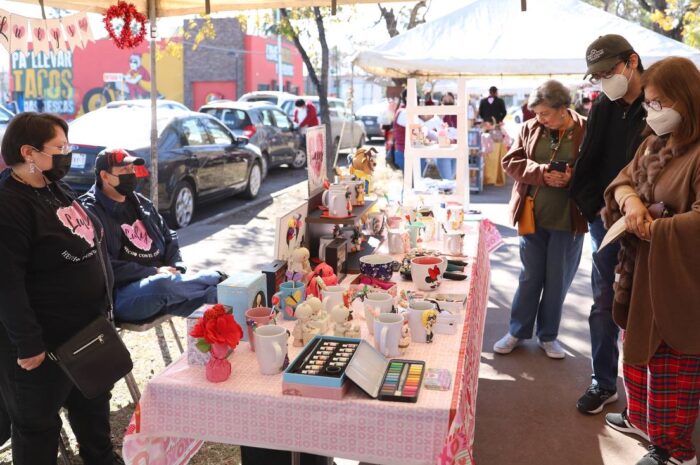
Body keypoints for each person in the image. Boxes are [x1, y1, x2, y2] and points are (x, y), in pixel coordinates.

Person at [0, 112, 123, 464]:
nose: (67, 154)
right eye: (59, 147)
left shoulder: (53, 186)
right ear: (28, 152)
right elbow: (6, 283)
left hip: (86, 333)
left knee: (94, 420)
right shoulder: (8, 204)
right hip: (41, 348)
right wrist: (28, 343)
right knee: (38, 432)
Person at [602, 56, 700, 465]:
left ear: (687, 99)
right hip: (642, 273)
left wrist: (651, 225)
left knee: (672, 366)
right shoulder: (655, 142)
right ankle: (649, 429)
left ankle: (677, 451)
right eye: (648, 103)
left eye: (658, 103)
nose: (651, 112)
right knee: (641, 359)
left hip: (678, 279)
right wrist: (631, 202)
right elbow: (623, 179)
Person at [570, 34, 647, 415]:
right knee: (603, 302)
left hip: (653, 225)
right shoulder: (602, 105)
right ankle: (603, 381)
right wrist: (593, 212)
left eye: (607, 71)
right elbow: (587, 162)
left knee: (647, 306)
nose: (602, 80)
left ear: (631, 61)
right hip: (606, 221)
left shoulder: (661, 102)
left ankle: (649, 397)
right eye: (595, 75)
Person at [494, 80, 588, 359]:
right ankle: (517, 331)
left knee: (557, 279)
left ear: (563, 109)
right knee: (529, 276)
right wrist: (541, 172)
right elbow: (510, 162)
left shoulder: (586, 128)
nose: (539, 118)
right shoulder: (528, 128)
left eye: (544, 113)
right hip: (532, 214)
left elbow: (597, 168)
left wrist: (573, 177)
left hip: (568, 218)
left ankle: (549, 336)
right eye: (536, 113)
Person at [80, 148, 225, 322]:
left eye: (132, 169)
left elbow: (169, 236)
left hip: (166, 288)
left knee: (219, 297)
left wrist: (176, 266)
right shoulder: (89, 212)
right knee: (162, 283)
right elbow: (103, 266)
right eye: (124, 170)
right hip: (122, 296)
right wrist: (154, 272)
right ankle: (214, 277)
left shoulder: (141, 203)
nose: (131, 174)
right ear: (104, 176)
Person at [391, 89, 408, 170]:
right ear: (407, 97)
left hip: (404, 150)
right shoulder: (403, 112)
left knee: (410, 179)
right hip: (403, 150)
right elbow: (415, 127)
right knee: (409, 180)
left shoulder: (403, 110)